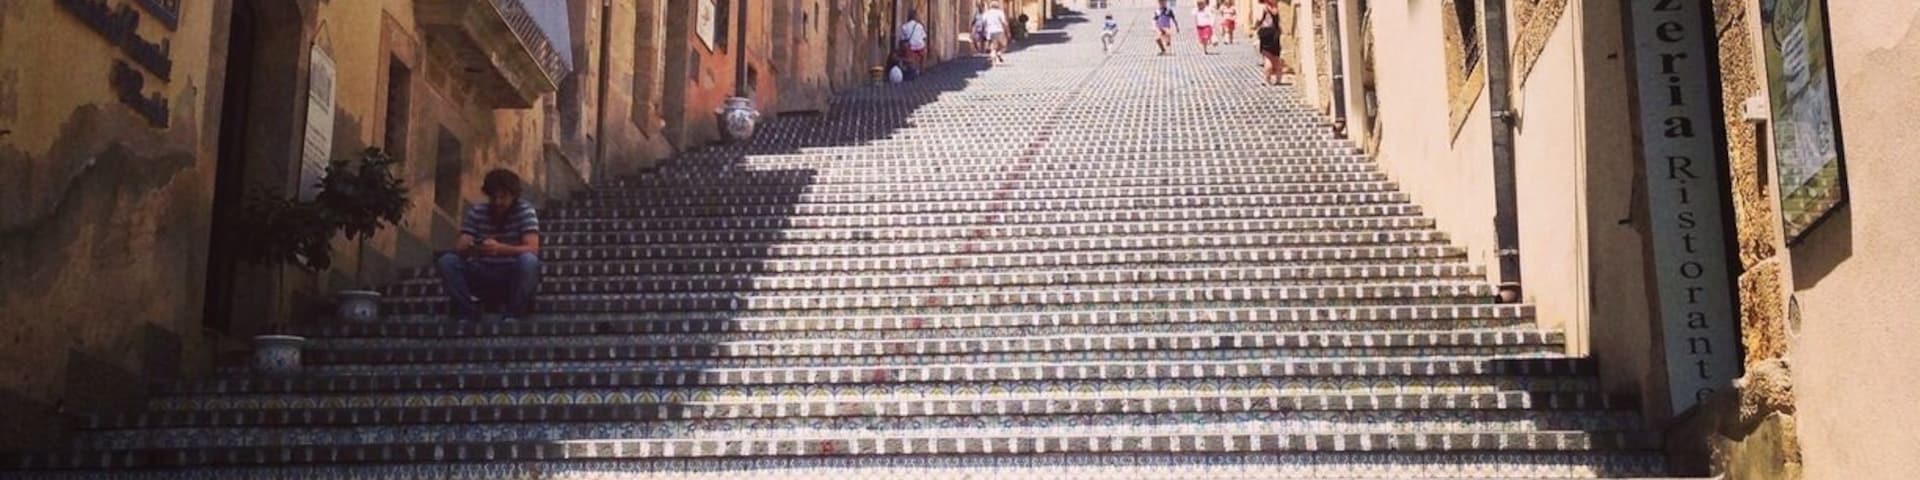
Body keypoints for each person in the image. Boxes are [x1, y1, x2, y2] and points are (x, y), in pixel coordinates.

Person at [437, 169, 541, 322]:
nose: (498, 202)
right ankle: (467, 312)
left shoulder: (525, 211)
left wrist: (500, 249)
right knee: (447, 261)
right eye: (494, 197)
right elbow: (460, 247)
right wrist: (477, 249)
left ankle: (514, 313)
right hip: (482, 272)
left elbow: (533, 249)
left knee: (529, 262)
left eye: (503, 197)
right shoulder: (478, 211)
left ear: (513, 196)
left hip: (512, 275)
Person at [1255, 0, 1287, 85]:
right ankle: (1279, 79)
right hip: (1275, 33)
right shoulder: (1276, 8)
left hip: (1266, 33)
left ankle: (1267, 79)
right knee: (1276, 57)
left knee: (1267, 58)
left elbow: (1259, 19)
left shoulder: (1264, 7)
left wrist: (1256, 26)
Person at [898, 9, 929, 77]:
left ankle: (910, 69)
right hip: (920, 47)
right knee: (923, 50)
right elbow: (924, 37)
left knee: (904, 49)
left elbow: (902, 39)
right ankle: (922, 69)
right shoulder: (919, 26)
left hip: (911, 48)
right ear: (915, 17)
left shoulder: (905, 26)